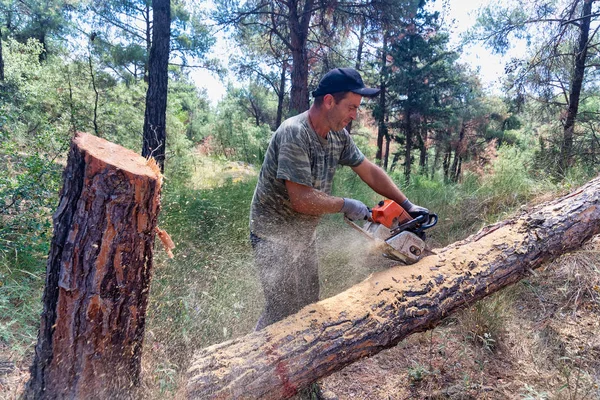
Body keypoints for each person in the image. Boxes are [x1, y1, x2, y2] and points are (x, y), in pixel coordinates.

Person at [250, 67, 429, 331]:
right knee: (281, 312)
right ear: (329, 101)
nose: (354, 115)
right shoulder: (295, 133)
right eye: (351, 107)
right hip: (273, 235)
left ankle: (300, 363)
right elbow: (301, 199)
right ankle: (251, 362)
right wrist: (347, 205)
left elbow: (368, 170)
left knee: (308, 306)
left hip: (303, 234)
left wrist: (406, 204)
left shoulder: (337, 135)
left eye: (357, 108)